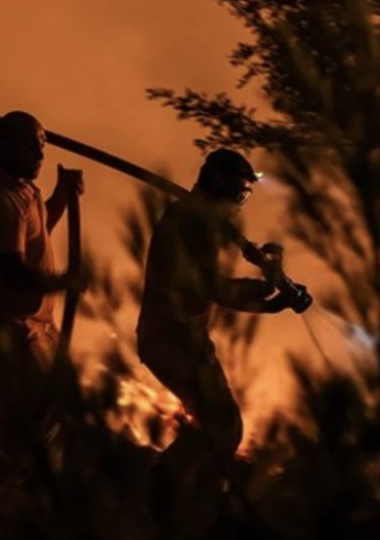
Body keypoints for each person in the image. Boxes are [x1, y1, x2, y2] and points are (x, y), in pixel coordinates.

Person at [136, 149, 306, 514]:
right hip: (174, 339)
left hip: (179, 339)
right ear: (218, 186)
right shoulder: (189, 224)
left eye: (246, 196)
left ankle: (183, 497)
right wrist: (272, 298)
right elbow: (215, 289)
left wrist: (270, 283)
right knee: (224, 424)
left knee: (219, 427)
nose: (239, 206)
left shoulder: (198, 221)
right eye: (239, 195)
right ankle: (163, 494)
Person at [0, 111, 84, 366]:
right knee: (37, 402)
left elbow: (38, 230)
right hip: (11, 329)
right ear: (5, 146)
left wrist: (62, 194)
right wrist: (62, 282)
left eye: (41, 146)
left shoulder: (19, 186)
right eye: (30, 148)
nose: (39, 156)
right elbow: (13, 271)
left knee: (59, 399)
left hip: (36, 324)